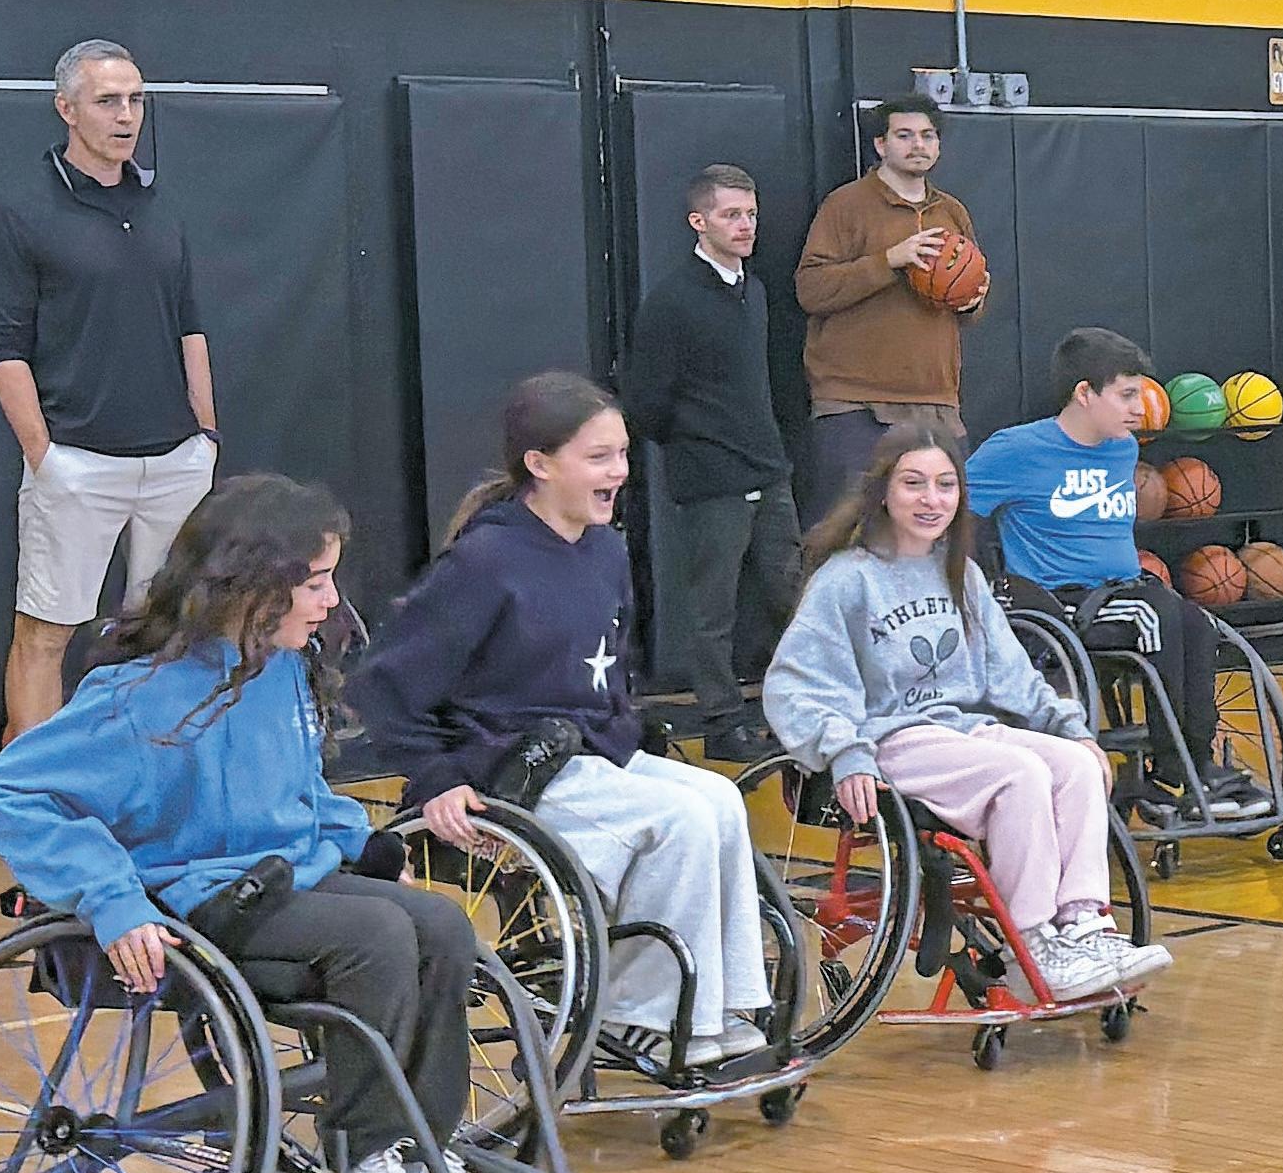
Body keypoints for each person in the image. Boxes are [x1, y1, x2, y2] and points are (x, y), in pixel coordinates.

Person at [0, 476, 490, 1173]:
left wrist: (363, 843)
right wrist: (113, 900)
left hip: (271, 884)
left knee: (441, 926)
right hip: (189, 905)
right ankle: (366, 1161)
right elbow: (11, 790)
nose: (331, 600)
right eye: (315, 582)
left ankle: (421, 1148)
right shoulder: (140, 694)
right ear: (251, 587)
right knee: (376, 937)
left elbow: (293, 793)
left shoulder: (276, 667)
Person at [352, 373, 774, 1073]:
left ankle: (723, 1004)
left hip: (584, 752)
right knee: (678, 820)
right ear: (540, 464)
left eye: (623, 454)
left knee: (721, 799)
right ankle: (638, 1013)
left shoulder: (605, 549)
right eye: (599, 457)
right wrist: (437, 777)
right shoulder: (487, 561)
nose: (620, 472)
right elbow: (383, 685)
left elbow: (607, 674)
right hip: (510, 769)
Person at [766, 418, 1168, 1000]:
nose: (931, 499)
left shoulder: (961, 574)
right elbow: (795, 685)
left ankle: (1084, 923)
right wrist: (844, 753)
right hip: (889, 741)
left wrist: (1071, 729)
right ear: (883, 491)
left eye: (945, 485)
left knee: (1076, 765)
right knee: (1019, 773)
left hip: (964, 733)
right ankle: (1031, 941)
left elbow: (1013, 673)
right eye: (913, 483)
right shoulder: (847, 579)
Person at [0, 39, 220, 740]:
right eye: (108, 101)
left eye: (136, 99)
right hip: (77, 462)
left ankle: (149, 776)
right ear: (67, 109)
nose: (127, 115)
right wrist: (45, 456)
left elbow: (190, 326)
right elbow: (2, 344)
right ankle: (29, 789)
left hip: (175, 462)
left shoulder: (160, 205)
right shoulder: (20, 210)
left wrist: (205, 437)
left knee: (169, 632)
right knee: (45, 631)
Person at [968, 328, 1265, 820]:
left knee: (1196, 622)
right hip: (1059, 602)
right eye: (1127, 395)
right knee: (1159, 615)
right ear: (1084, 393)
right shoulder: (1016, 450)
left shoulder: (1122, 448)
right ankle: (1182, 769)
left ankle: (1198, 763)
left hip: (1124, 591)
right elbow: (954, 508)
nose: (1139, 408)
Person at [622, 163, 799, 763]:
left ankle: (797, 711)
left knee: (790, 597)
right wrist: (700, 445)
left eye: (750, 214)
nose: (745, 225)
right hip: (712, 480)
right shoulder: (671, 302)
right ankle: (723, 722)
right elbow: (646, 402)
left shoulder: (755, 291)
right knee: (712, 609)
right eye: (731, 215)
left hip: (768, 470)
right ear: (698, 221)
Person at [798, 94, 978, 511]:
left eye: (928, 136)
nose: (918, 145)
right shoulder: (846, 205)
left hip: (936, 401)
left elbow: (966, 306)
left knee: (937, 526)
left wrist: (972, 297)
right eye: (905, 135)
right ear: (880, 144)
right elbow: (811, 289)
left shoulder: (952, 212)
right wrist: (890, 260)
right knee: (850, 526)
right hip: (856, 403)